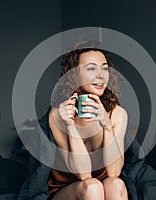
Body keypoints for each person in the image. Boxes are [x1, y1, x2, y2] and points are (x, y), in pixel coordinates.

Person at [47, 40, 129, 200]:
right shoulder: (57, 115)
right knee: (92, 187)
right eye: (91, 68)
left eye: (105, 68)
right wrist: (70, 126)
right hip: (68, 189)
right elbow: (83, 175)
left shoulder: (117, 114)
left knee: (116, 184)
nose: (101, 75)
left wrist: (106, 126)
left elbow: (113, 173)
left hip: (104, 185)